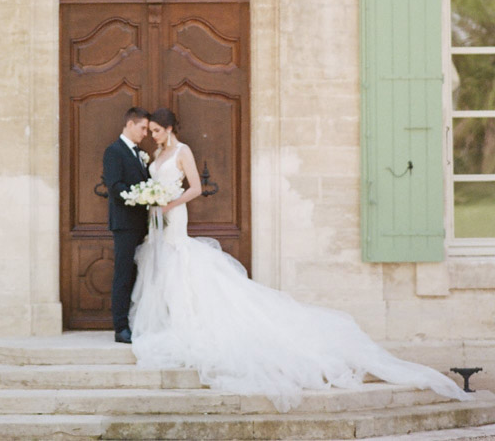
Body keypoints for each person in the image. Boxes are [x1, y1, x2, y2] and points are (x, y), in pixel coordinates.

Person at [129, 108, 471, 414]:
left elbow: (195, 188)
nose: (153, 136)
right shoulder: (157, 154)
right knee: (163, 263)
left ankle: (190, 320)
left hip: (174, 215)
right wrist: (152, 200)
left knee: (181, 260)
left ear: (171, 129)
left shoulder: (183, 151)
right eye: (152, 132)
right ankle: (171, 320)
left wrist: (169, 203)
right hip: (157, 219)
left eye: (158, 131)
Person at [103, 106, 150, 343]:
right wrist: (142, 195)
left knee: (139, 274)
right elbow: (115, 186)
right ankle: (120, 327)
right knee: (123, 275)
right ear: (130, 124)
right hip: (124, 224)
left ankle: (140, 321)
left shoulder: (139, 153)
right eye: (143, 128)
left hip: (142, 225)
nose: (145, 133)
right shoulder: (114, 151)